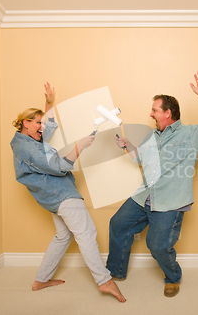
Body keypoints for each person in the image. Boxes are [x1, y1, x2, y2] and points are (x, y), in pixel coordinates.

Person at [106, 71, 198, 297]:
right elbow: (141, 158)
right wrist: (127, 145)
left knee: (157, 245)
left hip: (170, 201)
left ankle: (173, 278)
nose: (150, 114)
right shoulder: (153, 136)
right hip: (144, 197)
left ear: (167, 113)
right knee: (118, 224)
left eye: (154, 110)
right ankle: (116, 271)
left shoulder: (190, 134)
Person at [10, 83, 126, 303]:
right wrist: (80, 146)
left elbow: (48, 127)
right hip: (62, 195)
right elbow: (57, 166)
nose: (42, 128)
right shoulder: (28, 148)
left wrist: (48, 103)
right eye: (37, 123)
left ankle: (41, 280)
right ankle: (104, 281)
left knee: (63, 236)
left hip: (53, 197)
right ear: (26, 123)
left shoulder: (29, 139)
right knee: (87, 233)